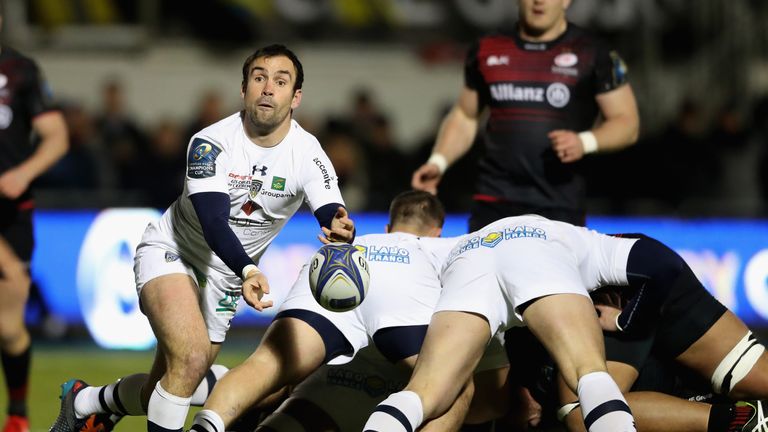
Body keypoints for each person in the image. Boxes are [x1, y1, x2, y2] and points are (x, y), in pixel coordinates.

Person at [49, 44, 356, 432]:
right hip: (175, 252)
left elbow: (332, 210)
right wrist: (247, 269)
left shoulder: (308, 153)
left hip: (226, 278)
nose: (267, 88)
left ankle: (86, 401)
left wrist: (340, 226)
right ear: (243, 89)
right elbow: (213, 221)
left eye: (280, 81)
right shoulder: (210, 142)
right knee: (192, 358)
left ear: (295, 98)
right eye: (259, 78)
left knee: (170, 386)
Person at [187, 190, 510, 432]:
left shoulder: (358, 240)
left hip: (335, 265)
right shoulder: (439, 247)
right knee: (452, 388)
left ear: (388, 226)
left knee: (266, 365)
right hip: (400, 299)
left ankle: (207, 424)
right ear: (438, 230)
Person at [361, 215, 706, 432]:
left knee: (423, 394)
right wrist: (626, 320)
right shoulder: (591, 242)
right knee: (590, 375)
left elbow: (403, 253)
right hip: (541, 257)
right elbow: (665, 266)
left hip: (470, 258)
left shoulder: (447, 243)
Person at [411, 0, 639, 230]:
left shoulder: (594, 53)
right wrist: (438, 162)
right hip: (493, 204)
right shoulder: (487, 48)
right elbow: (465, 116)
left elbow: (627, 122)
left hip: (559, 207)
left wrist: (586, 141)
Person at [553, 234, 768, 432]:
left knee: (582, 414)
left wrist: (622, 320)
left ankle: (737, 419)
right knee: (754, 376)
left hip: (630, 287)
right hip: (645, 276)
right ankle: (742, 418)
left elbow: (662, 268)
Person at [0, 15, 69, 431]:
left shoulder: (20, 71)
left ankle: (18, 414)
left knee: (9, 328)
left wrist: (24, 173)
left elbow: (56, 135)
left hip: (11, 214)